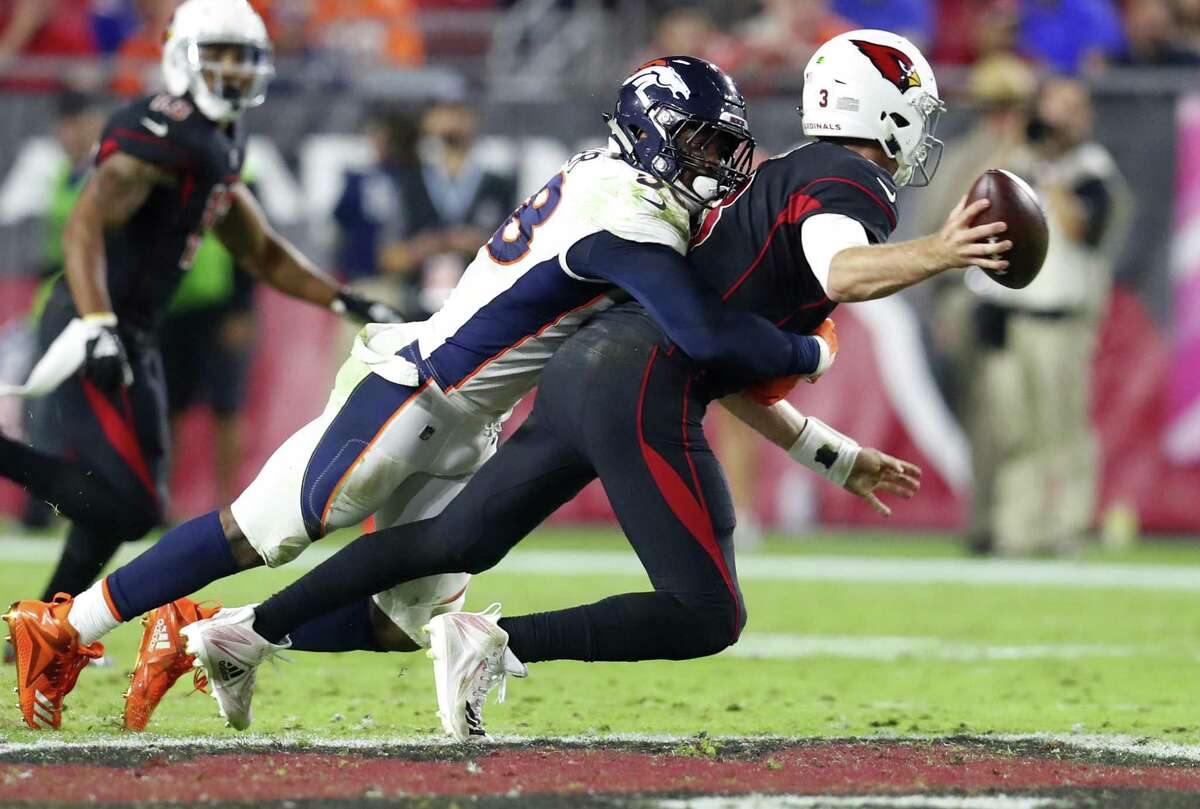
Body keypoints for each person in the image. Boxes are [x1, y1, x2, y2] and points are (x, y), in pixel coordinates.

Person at [182, 31, 1011, 739]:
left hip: (589, 366)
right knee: (707, 613)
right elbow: (839, 267)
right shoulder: (846, 181)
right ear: (884, 108)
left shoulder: (785, 176)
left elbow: (731, 358)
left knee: (453, 541)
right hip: (646, 383)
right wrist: (940, 255)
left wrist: (832, 454)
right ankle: (490, 643)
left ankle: (244, 630)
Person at [4, 55, 843, 732]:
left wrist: (818, 443)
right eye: (699, 141)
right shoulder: (624, 214)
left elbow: (699, 347)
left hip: (464, 418)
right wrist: (813, 346)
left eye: (722, 143)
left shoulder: (633, 194)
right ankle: (63, 627)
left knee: (404, 618)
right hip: (415, 393)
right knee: (257, 531)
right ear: (651, 133)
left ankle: (198, 632)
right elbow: (705, 336)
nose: (717, 161)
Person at [0, 0, 403, 729]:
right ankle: (46, 621)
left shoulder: (216, 140)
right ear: (182, 54)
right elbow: (88, 220)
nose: (231, 69)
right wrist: (94, 320)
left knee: (125, 506)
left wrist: (345, 300)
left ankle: (45, 628)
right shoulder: (163, 129)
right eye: (217, 53)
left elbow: (260, 250)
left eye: (243, 56)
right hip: (97, 322)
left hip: (135, 329)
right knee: (130, 506)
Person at [964, 77, 1131, 557]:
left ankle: (1068, 527)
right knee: (1016, 431)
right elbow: (972, 206)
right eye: (1054, 108)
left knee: (1064, 429)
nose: (1061, 119)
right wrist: (1016, 146)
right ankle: (1019, 530)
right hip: (1013, 317)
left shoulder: (1092, 170)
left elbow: (1084, 228)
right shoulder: (1017, 164)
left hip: (1062, 319)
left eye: (1072, 108)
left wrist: (1051, 171)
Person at [377, 99, 517, 319]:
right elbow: (390, 258)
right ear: (428, 122)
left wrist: (475, 242)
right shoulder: (409, 183)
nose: (451, 121)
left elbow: (518, 253)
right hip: (418, 311)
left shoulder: (499, 185)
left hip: (480, 311)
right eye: (443, 112)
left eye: (458, 113)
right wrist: (432, 244)